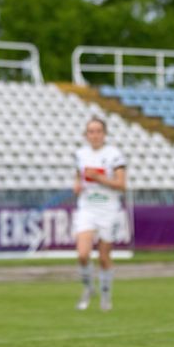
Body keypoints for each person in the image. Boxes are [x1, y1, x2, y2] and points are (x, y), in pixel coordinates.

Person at [73, 117, 127, 312]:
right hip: (87, 207)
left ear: (104, 134)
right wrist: (77, 185)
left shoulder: (114, 155)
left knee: (104, 257)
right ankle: (88, 289)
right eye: (91, 131)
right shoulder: (80, 154)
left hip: (108, 208)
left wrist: (100, 178)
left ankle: (106, 295)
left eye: (98, 131)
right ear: (86, 135)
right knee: (83, 254)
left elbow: (122, 185)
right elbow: (78, 176)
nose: (94, 135)